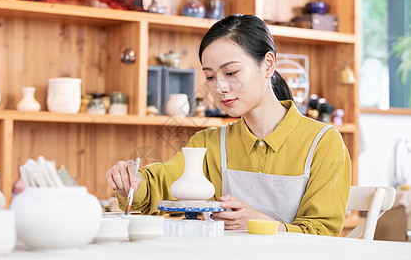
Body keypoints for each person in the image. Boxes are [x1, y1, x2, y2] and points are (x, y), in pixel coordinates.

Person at [105, 14, 351, 236]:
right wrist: (131, 181)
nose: (219, 87)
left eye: (231, 72)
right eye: (210, 77)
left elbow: (322, 234)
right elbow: (157, 185)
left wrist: (256, 221)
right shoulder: (209, 144)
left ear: (268, 64)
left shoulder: (323, 142)